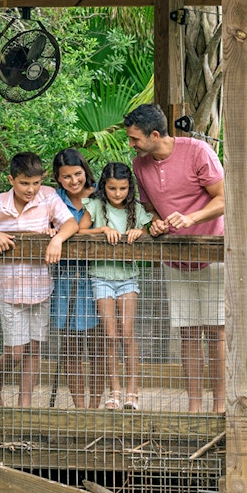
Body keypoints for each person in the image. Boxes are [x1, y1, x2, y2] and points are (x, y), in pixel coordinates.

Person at [124, 103, 225, 414]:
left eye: (135, 138)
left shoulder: (198, 151)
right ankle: (194, 406)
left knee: (216, 330)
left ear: (156, 135)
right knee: (188, 332)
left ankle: (220, 405)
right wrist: (154, 221)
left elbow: (225, 196)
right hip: (175, 258)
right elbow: (151, 206)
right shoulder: (140, 165)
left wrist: (193, 218)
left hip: (213, 251)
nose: (132, 144)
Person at [0, 152, 78, 407]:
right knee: (15, 352)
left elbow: (70, 223)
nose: (31, 189)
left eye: (36, 183)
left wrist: (57, 238)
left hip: (41, 287)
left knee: (34, 348)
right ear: (11, 180)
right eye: (25, 183)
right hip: (11, 289)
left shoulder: (47, 196)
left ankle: (24, 402)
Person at [79, 162, 152, 410]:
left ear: (129, 187)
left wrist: (138, 232)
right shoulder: (96, 206)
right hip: (100, 276)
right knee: (110, 334)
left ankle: (133, 391)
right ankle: (115, 391)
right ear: (104, 187)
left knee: (127, 332)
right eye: (112, 188)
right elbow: (80, 231)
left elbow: (147, 229)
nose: (117, 194)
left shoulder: (137, 209)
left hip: (128, 278)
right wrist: (102, 229)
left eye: (122, 188)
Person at [51, 149, 105, 409]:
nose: (73, 181)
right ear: (58, 179)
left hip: (97, 276)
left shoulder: (101, 194)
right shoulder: (53, 199)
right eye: (66, 176)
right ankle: (79, 408)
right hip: (64, 277)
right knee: (71, 347)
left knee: (97, 346)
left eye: (77, 174)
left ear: (85, 171)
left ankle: (95, 406)